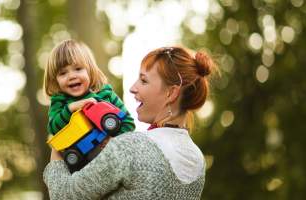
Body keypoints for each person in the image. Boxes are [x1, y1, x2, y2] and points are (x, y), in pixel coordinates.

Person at [43, 45, 216, 199]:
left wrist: (57, 153)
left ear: (171, 93)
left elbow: (64, 195)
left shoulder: (128, 147)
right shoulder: (198, 160)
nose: (133, 88)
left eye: (144, 80)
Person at [43, 39, 135, 171]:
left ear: (90, 71)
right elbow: (53, 128)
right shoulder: (60, 102)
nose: (71, 76)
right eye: (63, 73)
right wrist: (71, 108)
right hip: (82, 165)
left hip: (114, 160)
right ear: (55, 80)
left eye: (78, 69)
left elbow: (128, 123)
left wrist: (113, 139)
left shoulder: (106, 95)